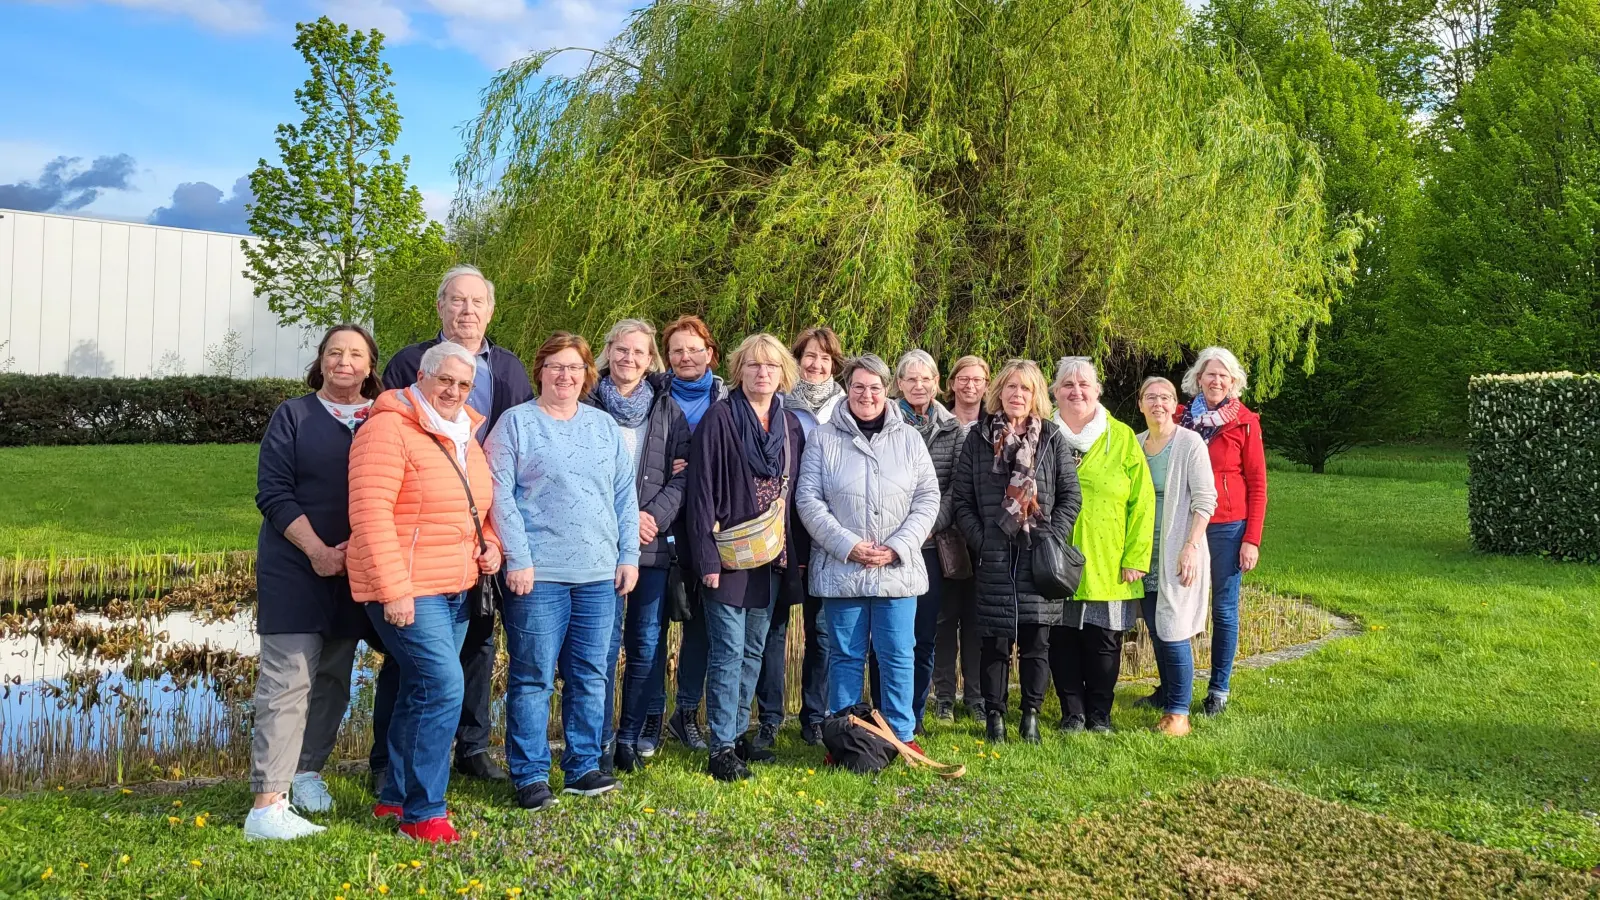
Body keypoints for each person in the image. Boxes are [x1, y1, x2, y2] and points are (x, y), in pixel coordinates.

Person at [370, 265, 533, 788]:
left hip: (480, 528)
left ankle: (471, 746)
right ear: (440, 307)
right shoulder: (409, 363)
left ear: (491, 310)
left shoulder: (508, 368)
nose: (467, 311)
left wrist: (497, 535)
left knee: (480, 640)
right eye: (457, 301)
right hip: (419, 533)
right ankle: (387, 763)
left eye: (477, 302)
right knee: (412, 658)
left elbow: (518, 445)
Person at [347, 341, 503, 843]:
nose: (454, 391)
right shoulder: (387, 428)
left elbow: (477, 505)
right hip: (409, 587)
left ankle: (395, 796)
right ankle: (424, 813)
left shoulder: (464, 433)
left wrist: (491, 544)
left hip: (457, 585)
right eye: (445, 380)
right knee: (443, 687)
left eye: (464, 384)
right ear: (422, 377)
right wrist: (393, 590)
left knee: (420, 689)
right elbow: (370, 516)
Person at [487, 332, 640, 809]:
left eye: (574, 367)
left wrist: (628, 555)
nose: (565, 375)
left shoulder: (603, 427)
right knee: (532, 676)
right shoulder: (517, 423)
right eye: (556, 365)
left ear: (587, 374)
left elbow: (624, 496)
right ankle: (530, 773)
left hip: (598, 573)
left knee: (591, 675)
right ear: (540, 371)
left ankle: (583, 766)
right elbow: (498, 495)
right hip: (539, 575)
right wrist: (518, 558)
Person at [244, 324, 381, 841]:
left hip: (355, 573)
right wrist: (319, 552)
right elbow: (272, 492)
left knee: (333, 678)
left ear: (370, 366)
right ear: (320, 361)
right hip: (295, 568)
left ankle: (306, 772)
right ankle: (267, 804)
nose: (344, 361)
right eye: (334, 352)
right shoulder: (294, 416)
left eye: (356, 354)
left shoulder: (382, 417)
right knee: (287, 682)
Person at [797, 354, 940, 749]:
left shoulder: (909, 439)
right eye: (858, 386)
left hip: (897, 570)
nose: (867, 394)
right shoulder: (823, 439)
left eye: (875, 387)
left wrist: (897, 547)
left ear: (887, 390)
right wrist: (848, 545)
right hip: (843, 569)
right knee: (845, 656)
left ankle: (902, 736)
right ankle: (846, 739)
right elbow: (808, 500)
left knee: (898, 655)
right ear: (848, 389)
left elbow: (928, 498)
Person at [685, 333, 806, 782]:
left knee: (754, 649)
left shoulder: (788, 425)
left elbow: (796, 497)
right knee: (728, 650)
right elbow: (701, 493)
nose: (762, 373)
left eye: (771, 366)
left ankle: (737, 736)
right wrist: (707, 561)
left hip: (772, 556)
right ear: (739, 370)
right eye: (754, 365)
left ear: (783, 373)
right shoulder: (719, 419)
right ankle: (720, 747)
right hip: (729, 555)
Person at [951, 360, 1080, 744]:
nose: (1017, 395)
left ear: (1035, 394)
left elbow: (1071, 496)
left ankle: (1031, 716)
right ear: (999, 392)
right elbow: (962, 501)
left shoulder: (1052, 438)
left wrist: (1050, 536)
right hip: (994, 558)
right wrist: (983, 540)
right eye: (1011, 387)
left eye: (1025, 388)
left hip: (1037, 558)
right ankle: (995, 717)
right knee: (994, 643)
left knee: (1036, 643)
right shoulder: (978, 438)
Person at [583, 319, 691, 774]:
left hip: (651, 545)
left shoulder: (668, 411)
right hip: (599, 544)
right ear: (609, 352)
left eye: (639, 352)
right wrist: (621, 520)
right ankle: (600, 740)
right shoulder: (585, 403)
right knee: (602, 649)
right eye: (621, 350)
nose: (629, 358)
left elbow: (684, 475)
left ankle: (629, 736)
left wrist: (650, 518)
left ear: (651, 361)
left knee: (645, 645)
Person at [1047, 357, 1154, 734]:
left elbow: (1142, 501)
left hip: (1108, 558)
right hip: (1053, 557)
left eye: (1084, 384)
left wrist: (1136, 556)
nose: (1076, 391)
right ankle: (1072, 714)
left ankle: (1099, 715)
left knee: (1104, 641)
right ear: (1055, 392)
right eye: (1067, 384)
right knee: (1060, 638)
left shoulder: (1120, 437)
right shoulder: (1042, 434)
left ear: (1097, 391)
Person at [757, 326, 846, 748]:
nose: (816, 364)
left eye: (825, 358)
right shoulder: (776, 403)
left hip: (827, 534)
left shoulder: (846, 408)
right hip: (782, 531)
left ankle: (814, 715)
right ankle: (770, 716)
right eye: (810, 356)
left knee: (822, 631)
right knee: (773, 627)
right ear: (796, 360)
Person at [871, 349, 961, 733]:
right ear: (899, 384)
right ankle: (881, 713)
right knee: (885, 639)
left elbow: (956, 489)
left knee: (923, 636)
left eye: (926, 379)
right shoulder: (881, 421)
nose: (919, 385)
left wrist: (926, 526)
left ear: (937, 383)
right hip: (887, 544)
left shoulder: (953, 428)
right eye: (911, 379)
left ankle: (913, 714)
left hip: (928, 545)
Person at [1179, 346, 1267, 718]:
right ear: (1198, 378)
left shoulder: (1245, 422)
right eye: (1210, 374)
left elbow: (1258, 483)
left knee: (1224, 609)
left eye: (1223, 376)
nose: (1216, 381)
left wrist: (1251, 539)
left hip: (1228, 526)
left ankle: (1218, 690)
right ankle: (1174, 686)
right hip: (1185, 523)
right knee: (1178, 604)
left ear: (1233, 382)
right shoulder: (1180, 418)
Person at [1133, 376, 1216, 737]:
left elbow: (1206, 500)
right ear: (1140, 404)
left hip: (1178, 552)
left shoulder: (1189, 443)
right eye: (1151, 397)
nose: (1159, 403)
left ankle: (1179, 714)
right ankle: (1166, 695)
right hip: (1145, 554)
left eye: (1166, 397)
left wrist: (1191, 546)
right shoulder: (1135, 444)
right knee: (1156, 628)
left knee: (1174, 630)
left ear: (1175, 404)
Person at [660, 316, 727, 754]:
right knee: (652, 625)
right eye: (677, 350)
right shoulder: (653, 397)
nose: (686, 357)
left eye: (694, 349)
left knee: (702, 623)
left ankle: (685, 713)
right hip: (662, 523)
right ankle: (646, 717)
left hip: (711, 524)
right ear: (667, 358)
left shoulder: (728, 399)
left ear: (710, 354)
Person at [932, 355, 989, 722]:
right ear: (951, 383)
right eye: (963, 378)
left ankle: (976, 695)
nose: (970, 385)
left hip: (984, 535)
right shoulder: (940, 424)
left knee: (977, 619)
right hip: (945, 535)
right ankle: (943, 695)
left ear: (986, 385)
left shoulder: (995, 424)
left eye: (978, 379)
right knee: (944, 618)